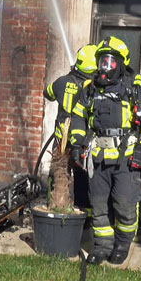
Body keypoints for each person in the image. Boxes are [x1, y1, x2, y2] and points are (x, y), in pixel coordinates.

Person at [70, 36, 141, 265]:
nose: (105, 67)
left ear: (120, 64)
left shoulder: (135, 85)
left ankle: (122, 244)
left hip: (126, 159)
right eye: (102, 62)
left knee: (124, 203)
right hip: (98, 158)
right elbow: (79, 117)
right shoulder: (89, 89)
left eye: (110, 63)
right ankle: (102, 246)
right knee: (98, 204)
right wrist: (77, 144)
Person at [43, 44, 98, 210]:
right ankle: (84, 213)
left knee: (58, 173)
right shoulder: (93, 87)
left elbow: (48, 93)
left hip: (61, 141)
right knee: (83, 176)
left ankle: (53, 206)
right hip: (81, 140)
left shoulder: (62, 81)